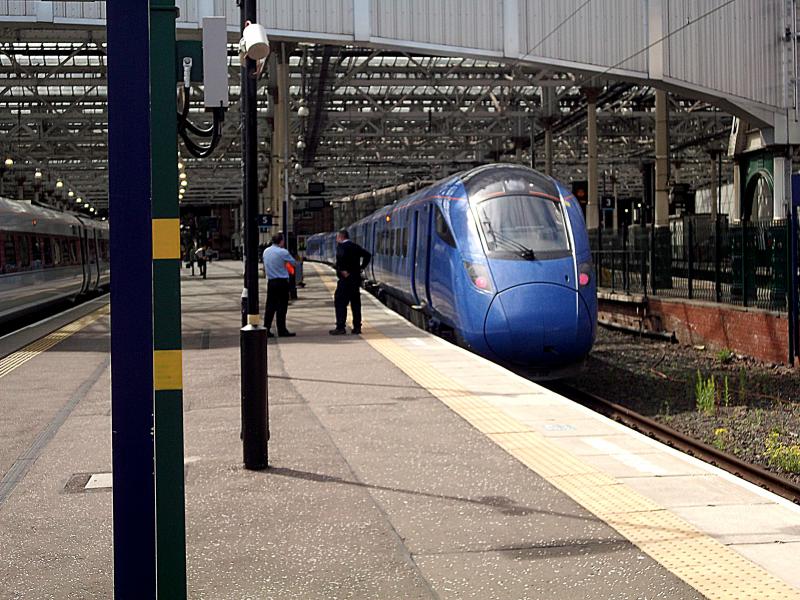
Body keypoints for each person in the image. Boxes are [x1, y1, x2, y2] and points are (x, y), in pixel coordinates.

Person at [329, 228, 371, 336]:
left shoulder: (341, 247)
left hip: (345, 279)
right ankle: (357, 327)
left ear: (341, 237)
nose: (336, 240)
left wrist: (342, 270)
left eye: (337, 237)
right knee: (355, 303)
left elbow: (340, 259)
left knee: (340, 302)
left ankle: (340, 327)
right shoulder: (355, 246)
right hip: (355, 279)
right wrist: (361, 267)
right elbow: (368, 255)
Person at [262, 233, 297, 338]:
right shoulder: (283, 252)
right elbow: (294, 263)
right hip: (282, 282)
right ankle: (282, 330)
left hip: (271, 282)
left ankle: (266, 328)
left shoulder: (266, 251)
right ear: (281, 241)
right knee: (282, 307)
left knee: (270, 307)